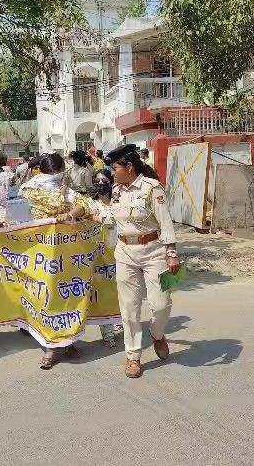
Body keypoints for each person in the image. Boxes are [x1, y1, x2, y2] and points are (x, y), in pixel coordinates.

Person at [102, 144, 180, 379]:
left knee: (162, 304)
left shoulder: (151, 189)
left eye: (115, 168)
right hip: (125, 253)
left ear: (129, 166)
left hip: (155, 252)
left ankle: (157, 334)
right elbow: (110, 219)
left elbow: (165, 221)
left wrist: (172, 253)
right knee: (129, 309)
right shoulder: (116, 190)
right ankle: (133, 356)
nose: (112, 172)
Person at [19, 153, 93, 369]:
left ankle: (69, 341)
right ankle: (51, 348)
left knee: (69, 296)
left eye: (56, 173)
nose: (54, 176)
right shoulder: (30, 189)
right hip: (41, 254)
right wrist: (65, 200)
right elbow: (53, 207)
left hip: (68, 251)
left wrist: (73, 210)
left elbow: (86, 205)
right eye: (51, 173)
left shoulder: (66, 189)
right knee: (47, 298)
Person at [91, 170, 124, 348]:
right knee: (103, 294)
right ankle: (108, 333)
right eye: (98, 181)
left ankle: (119, 318)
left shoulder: (119, 203)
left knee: (120, 292)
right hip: (100, 257)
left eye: (105, 180)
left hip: (121, 254)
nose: (101, 184)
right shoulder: (89, 205)